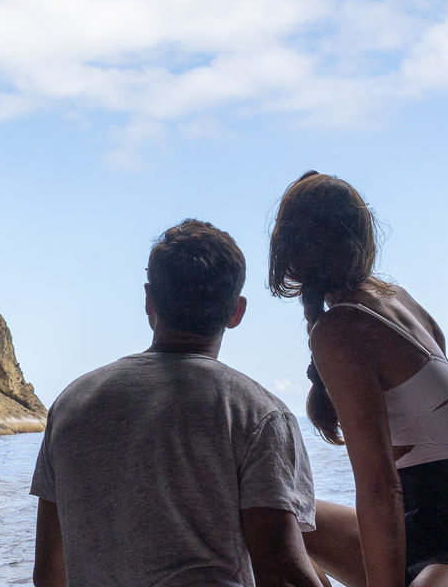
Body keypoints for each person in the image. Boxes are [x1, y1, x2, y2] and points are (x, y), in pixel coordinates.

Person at [268, 172, 448, 587]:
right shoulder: (393, 297)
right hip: (430, 515)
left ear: (288, 249)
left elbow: (380, 487)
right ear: (362, 237)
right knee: (275, 521)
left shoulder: (342, 328)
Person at [31, 220, 327, 587]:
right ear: (236, 312)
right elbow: (282, 573)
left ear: (149, 300)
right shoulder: (258, 413)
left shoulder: (71, 405)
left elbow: (47, 574)